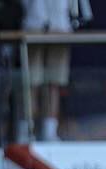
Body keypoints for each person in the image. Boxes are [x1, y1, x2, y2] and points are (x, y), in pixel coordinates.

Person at [21, 0, 86, 142]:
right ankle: (27, 130)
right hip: (34, 27)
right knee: (32, 83)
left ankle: (49, 132)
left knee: (54, 83)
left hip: (60, 27)